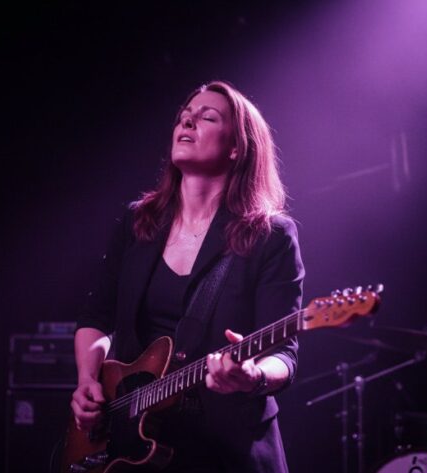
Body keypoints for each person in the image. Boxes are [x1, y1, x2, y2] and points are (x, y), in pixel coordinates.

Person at [71, 81, 305, 473]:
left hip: (226, 448)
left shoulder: (270, 236)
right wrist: (86, 381)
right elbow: (96, 317)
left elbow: (285, 353)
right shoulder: (138, 222)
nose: (188, 120)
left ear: (237, 147)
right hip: (133, 444)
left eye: (207, 117)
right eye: (185, 116)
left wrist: (252, 376)